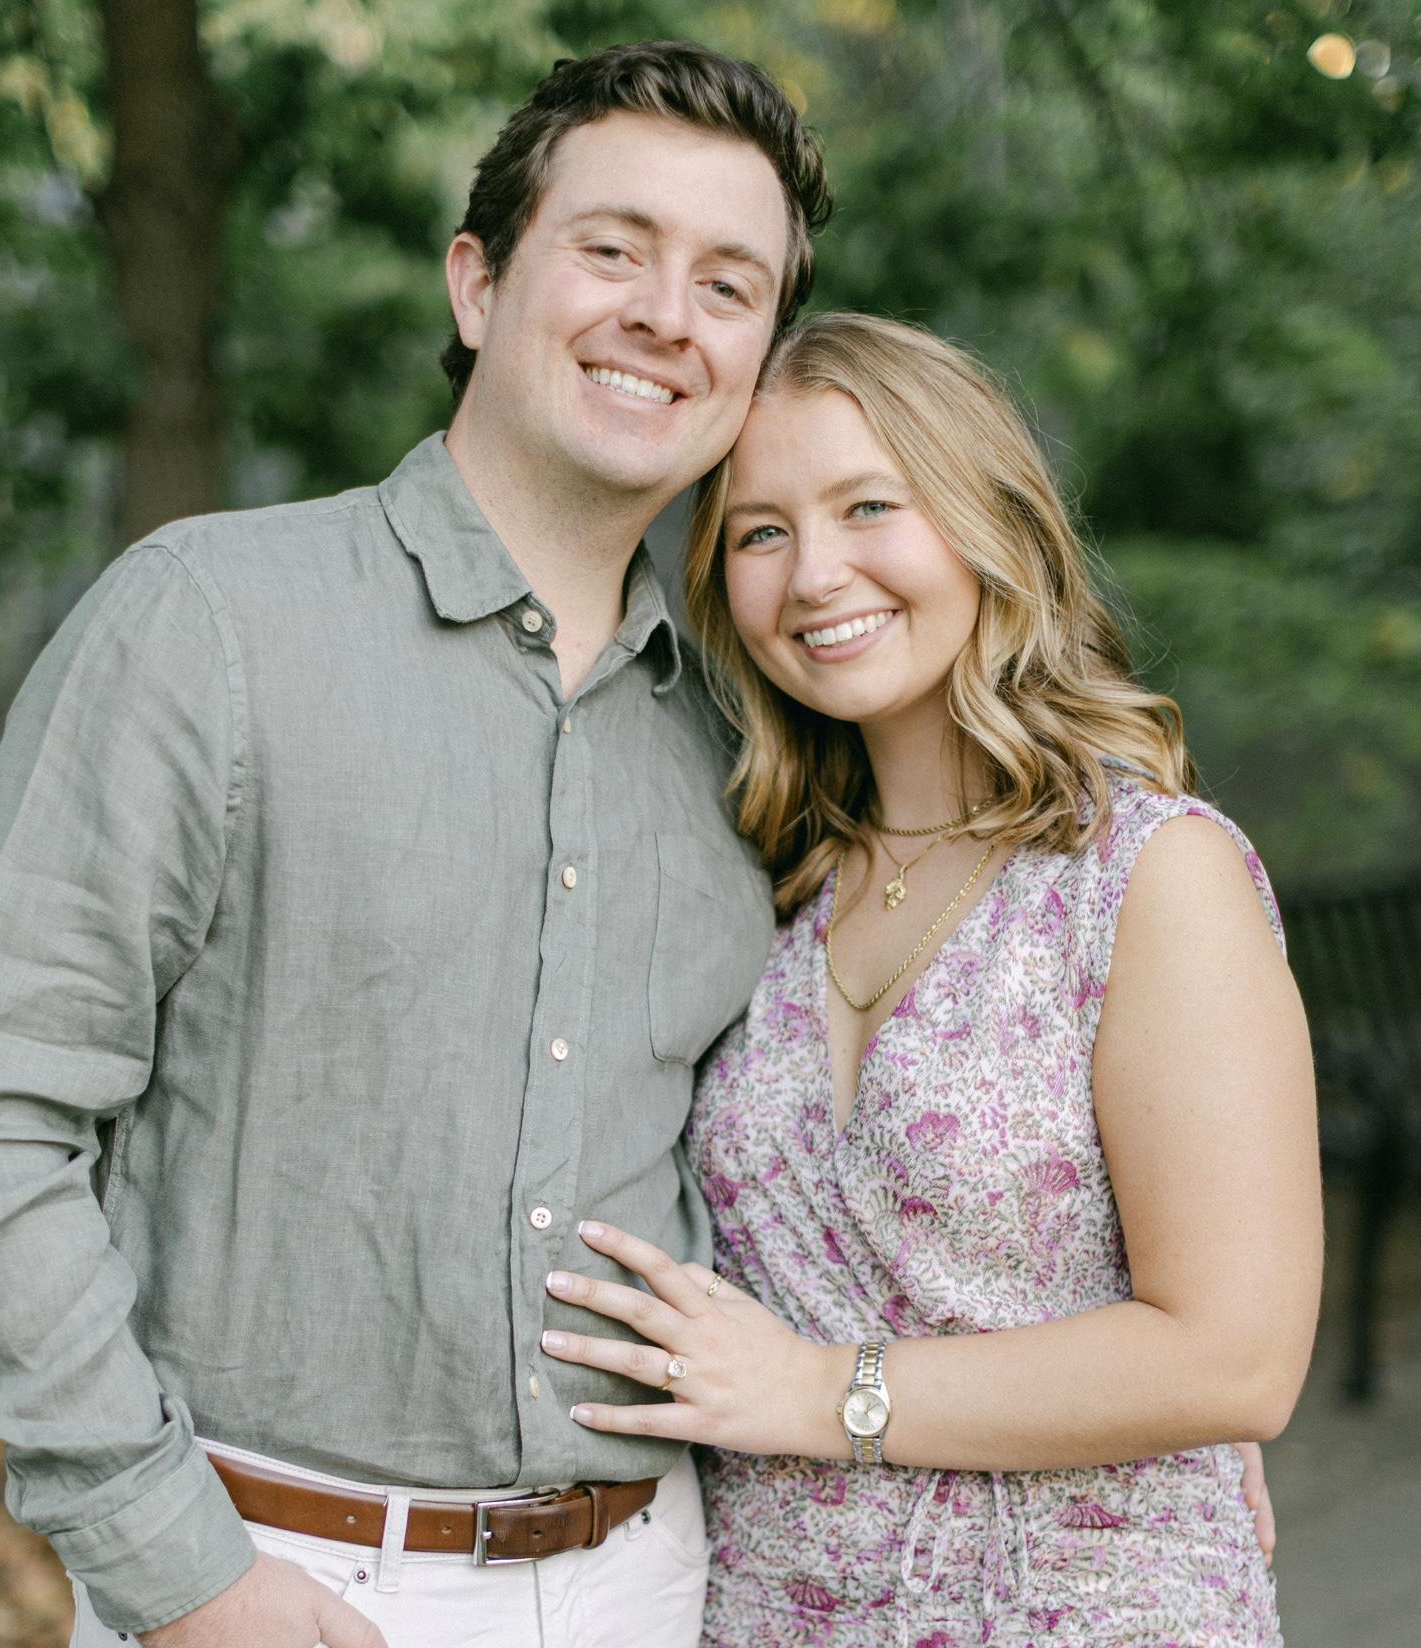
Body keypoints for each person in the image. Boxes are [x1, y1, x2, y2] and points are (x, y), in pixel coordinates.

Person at [0, 41, 831, 1648]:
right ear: (478, 282)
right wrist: (178, 1569)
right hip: (275, 1579)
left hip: (661, 1578)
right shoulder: (210, 623)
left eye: (728, 285)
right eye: (613, 250)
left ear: (758, 358)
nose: (669, 315)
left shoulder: (756, 738)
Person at [536, 313, 1323, 1646]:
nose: (815, 573)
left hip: (1083, 1609)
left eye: (868, 507)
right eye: (761, 532)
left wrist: (818, 1392)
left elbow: (1234, 1358)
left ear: (986, 522)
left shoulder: (1145, 877)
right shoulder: (760, 882)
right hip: (770, 1612)